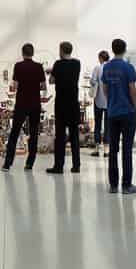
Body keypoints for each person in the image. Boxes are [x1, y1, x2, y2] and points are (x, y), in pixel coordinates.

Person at [99, 38, 136, 195]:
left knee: (113, 150)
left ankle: (113, 185)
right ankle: (127, 185)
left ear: (112, 49)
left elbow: (105, 88)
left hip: (112, 113)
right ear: (124, 49)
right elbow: (132, 90)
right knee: (127, 149)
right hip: (127, 112)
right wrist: (134, 108)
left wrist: (111, 102)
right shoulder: (128, 67)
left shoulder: (107, 68)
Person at [4, 44, 45, 171]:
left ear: (22, 53)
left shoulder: (18, 66)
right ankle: (29, 163)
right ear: (33, 53)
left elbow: (15, 86)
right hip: (35, 103)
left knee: (15, 132)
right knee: (33, 133)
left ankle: (7, 164)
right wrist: (34, 86)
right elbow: (43, 86)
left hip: (21, 103)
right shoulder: (39, 67)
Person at [47, 41, 83, 175]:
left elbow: (51, 81)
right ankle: (76, 165)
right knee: (74, 136)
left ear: (61, 50)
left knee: (60, 136)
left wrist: (52, 72)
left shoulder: (57, 64)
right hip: (73, 103)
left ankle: (59, 166)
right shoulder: (77, 63)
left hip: (61, 104)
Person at [88, 51, 109, 155]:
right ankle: (106, 149)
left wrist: (92, 82)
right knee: (108, 124)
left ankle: (97, 148)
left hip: (98, 99)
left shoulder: (97, 68)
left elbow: (93, 81)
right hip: (109, 101)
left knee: (98, 124)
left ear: (101, 58)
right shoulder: (111, 68)